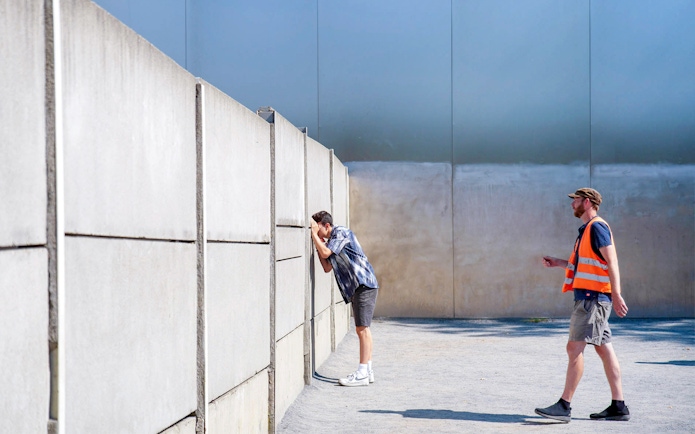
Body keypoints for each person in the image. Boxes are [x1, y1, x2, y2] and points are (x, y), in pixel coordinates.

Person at [535, 188, 631, 422]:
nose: (572, 204)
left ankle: (564, 405)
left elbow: (612, 261)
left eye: (575, 200)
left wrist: (616, 294)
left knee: (574, 348)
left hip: (593, 299)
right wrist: (559, 263)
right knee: (603, 349)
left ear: (587, 203)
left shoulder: (596, 227)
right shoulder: (588, 230)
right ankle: (618, 406)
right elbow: (588, 264)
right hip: (592, 298)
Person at [310, 210, 379, 387]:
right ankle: (368, 370)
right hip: (361, 286)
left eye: (318, 230)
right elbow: (327, 266)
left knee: (362, 329)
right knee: (363, 329)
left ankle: (362, 372)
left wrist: (314, 237)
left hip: (364, 284)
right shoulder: (333, 242)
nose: (317, 234)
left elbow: (325, 253)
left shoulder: (341, 233)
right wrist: (319, 242)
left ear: (326, 225)